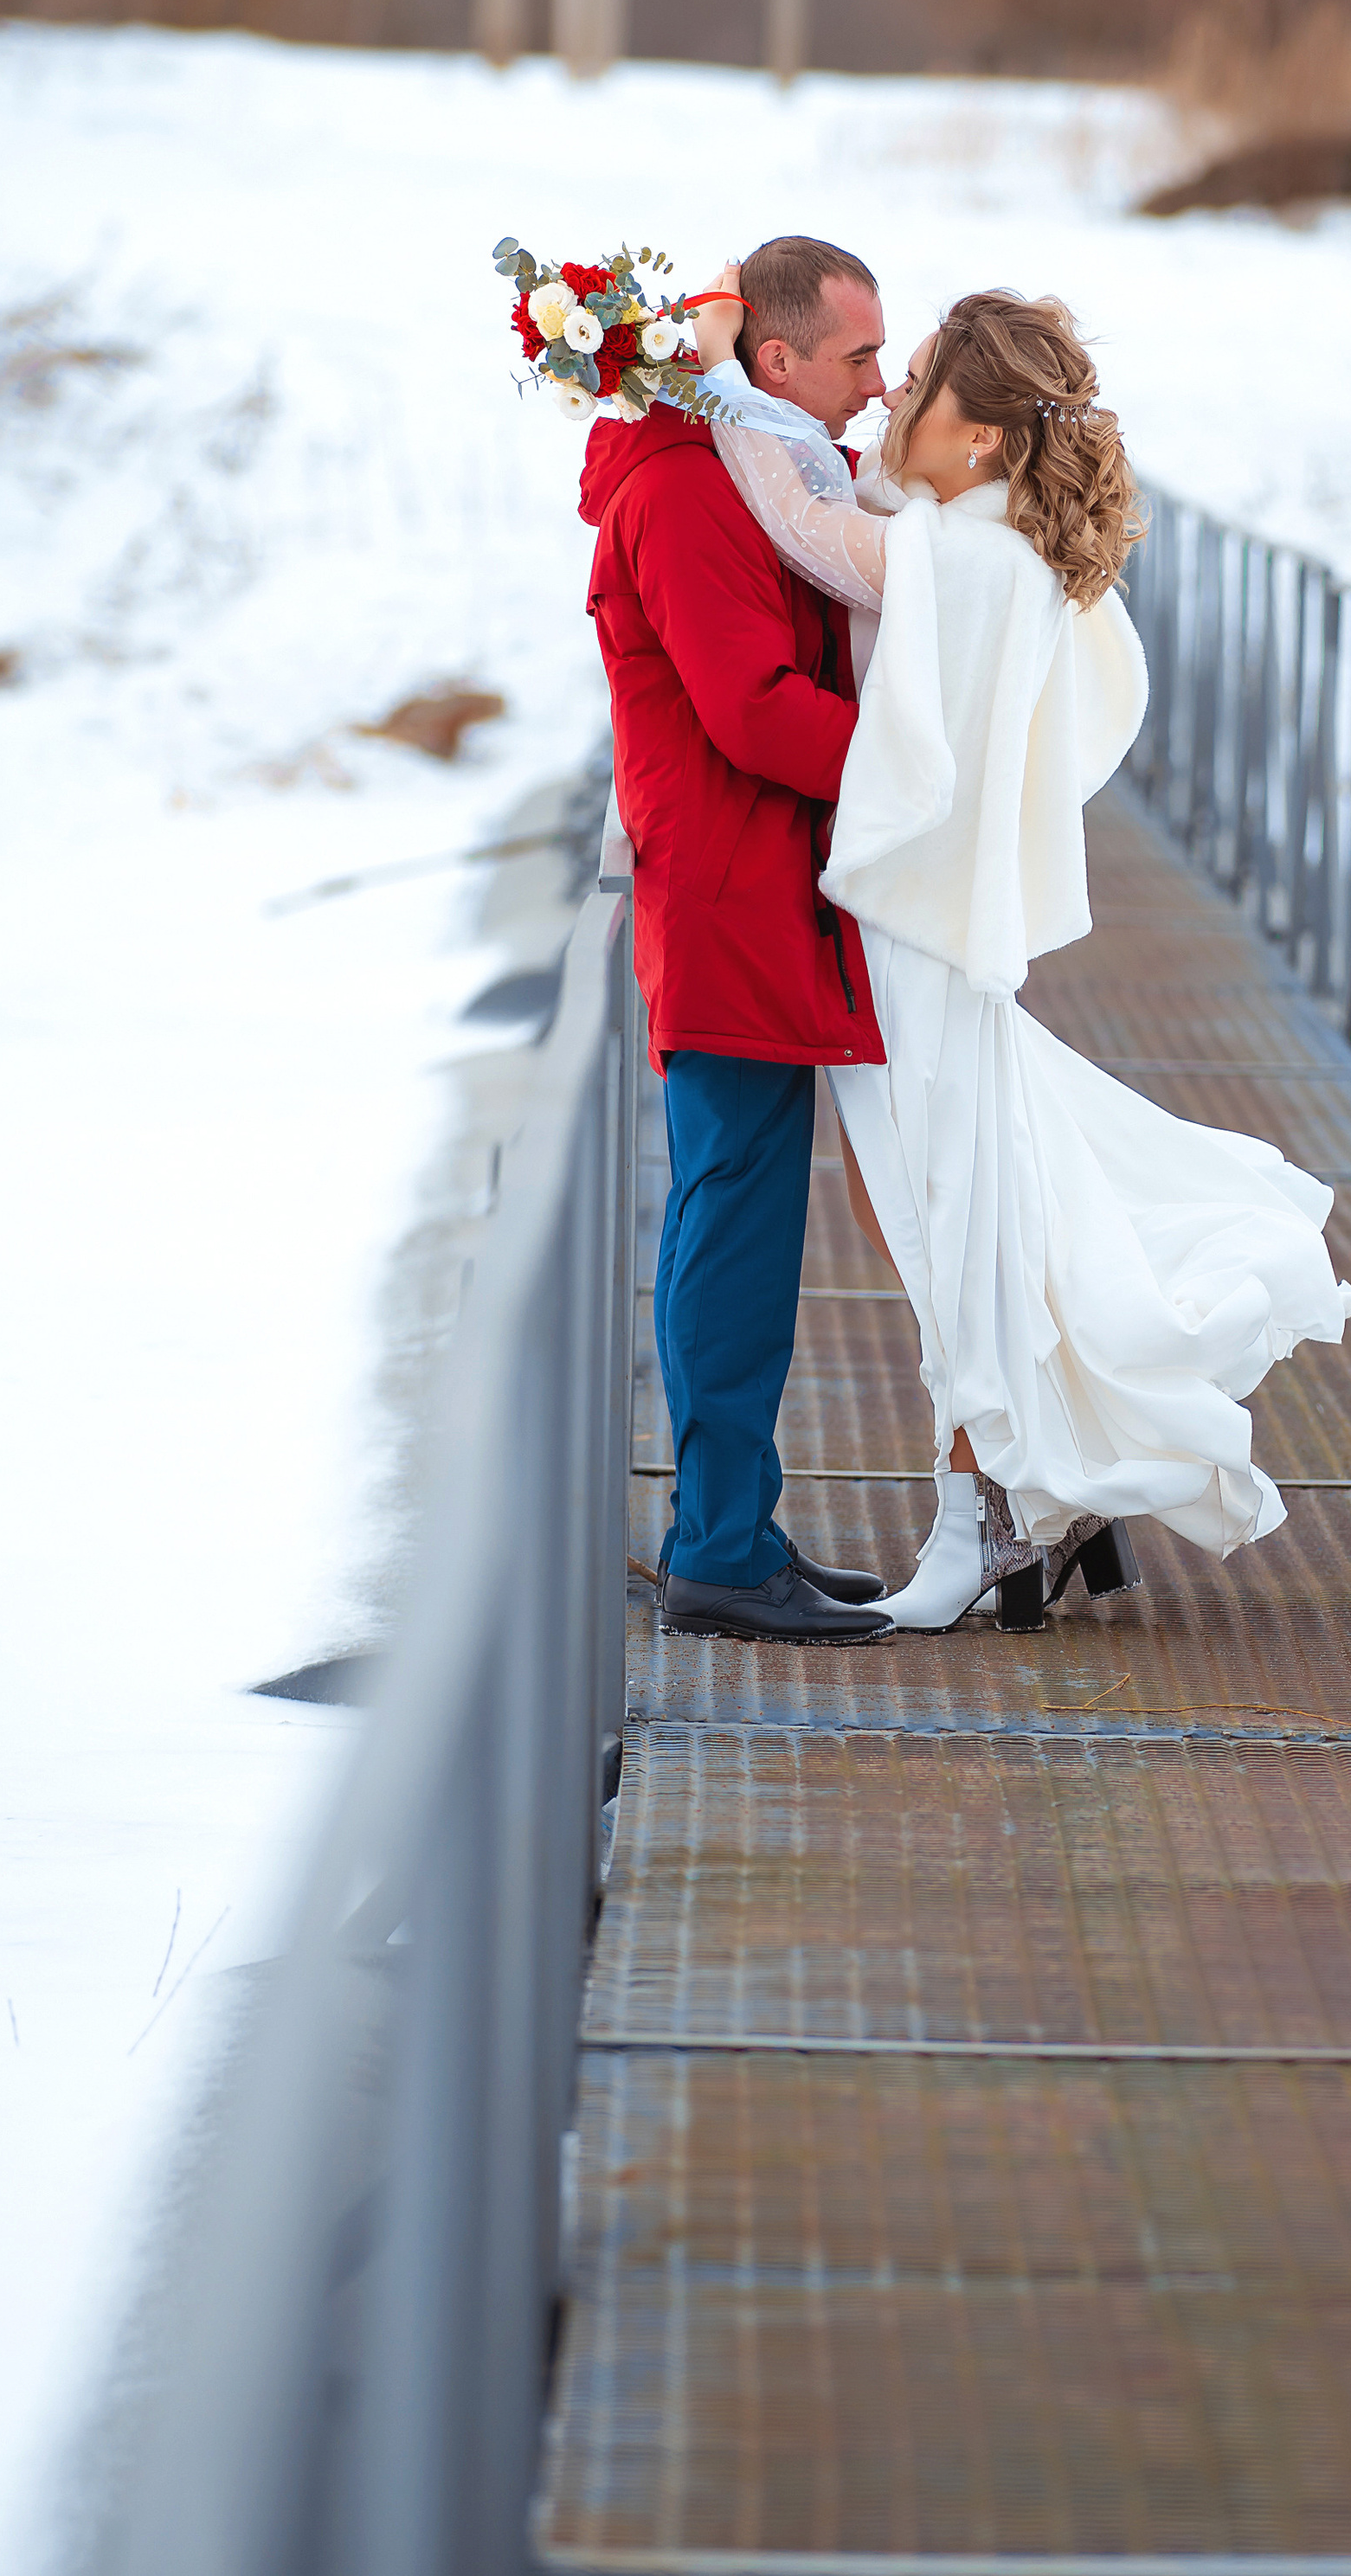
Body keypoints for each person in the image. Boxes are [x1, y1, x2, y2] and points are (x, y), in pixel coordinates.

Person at [693, 275, 1351, 1631]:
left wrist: (712, 377)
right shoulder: (961, 530)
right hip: (917, 928)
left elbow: (798, 523)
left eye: (919, 377)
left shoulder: (974, 558)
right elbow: (853, 512)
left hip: (923, 937)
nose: (891, 393)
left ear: (985, 435)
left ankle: (989, 1515)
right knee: (945, 1202)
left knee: (958, 1217)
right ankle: (1045, 1491)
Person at [579, 234, 898, 1647]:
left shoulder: (745, 470)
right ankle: (717, 1546)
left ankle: (736, 1526)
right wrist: (925, 771)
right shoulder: (691, 492)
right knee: (734, 1223)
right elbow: (755, 709)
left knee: (749, 1221)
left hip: (759, 889)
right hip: (728, 896)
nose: (879, 387)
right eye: (859, 358)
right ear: (774, 362)